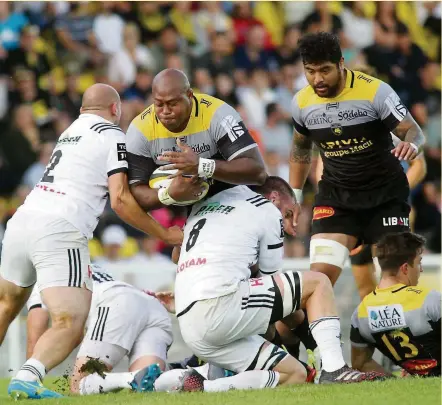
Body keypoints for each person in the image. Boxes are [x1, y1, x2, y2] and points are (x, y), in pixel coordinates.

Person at [0, 83, 182, 399]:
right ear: (116, 109)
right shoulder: (112, 134)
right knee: (71, 320)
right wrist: (166, 233)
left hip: (22, 220)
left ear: (84, 108)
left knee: (6, 305)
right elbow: (121, 200)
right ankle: (28, 378)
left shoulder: (69, 131)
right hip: (60, 227)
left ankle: (28, 375)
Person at [171, 176, 385, 392]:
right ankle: (335, 369)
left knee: (295, 374)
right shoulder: (264, 208)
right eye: (289, 214)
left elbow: (176, 256)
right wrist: (308, 338)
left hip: (190, 322)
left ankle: (198, 386)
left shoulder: (206, 206)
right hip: (220, 305)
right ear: (273, 199)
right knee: (318, 283)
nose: (292, 227)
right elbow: (274, 287)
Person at [288, 32, 425, 350]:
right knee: (317, 279)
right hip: (337, 198)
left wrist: (410, 144)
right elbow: (300, 150)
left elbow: (412, 129)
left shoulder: (375, 91)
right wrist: (294, 197)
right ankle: (318, 358)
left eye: (324, 70)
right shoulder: (301, 103)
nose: (317, 79)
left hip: (385, 198)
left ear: (340, 64)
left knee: (395, 280)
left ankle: (411, 357)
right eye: (310, 71)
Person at [125, 68, 267, 210]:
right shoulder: (140, 130)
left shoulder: (218, 114)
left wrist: (202, 166)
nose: (165, 111)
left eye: (173, 103)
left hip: (231, 197)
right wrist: (168, 195)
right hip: (182, 213)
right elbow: (135, 193)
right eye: (159, 104)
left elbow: (258, 172)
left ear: (190, 95)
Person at [25, 264, 173, 396]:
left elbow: (36, 334)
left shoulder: (43, 280)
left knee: (79, 385)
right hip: (152, 304)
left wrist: (28, 377)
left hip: (117, 302)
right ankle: (188, 373)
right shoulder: (86, 264)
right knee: (151, 386)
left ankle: (129, 378)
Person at [315, 134, 427, 301]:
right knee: (365, 290)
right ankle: (374, 325)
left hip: (389, 211)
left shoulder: (388, 122)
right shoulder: (333, 129)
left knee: (396, 283)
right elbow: (322, 172)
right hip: (352, 212)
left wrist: (391, 195)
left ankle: (402, 324)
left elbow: (419, 165)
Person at [350, 232, 441, 377]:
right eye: (418, 263)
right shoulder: (430, 300)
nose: (421, 269)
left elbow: (361, 364)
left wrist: (395, 383)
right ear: (405, 268)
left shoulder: (361, 313)